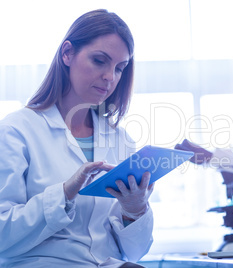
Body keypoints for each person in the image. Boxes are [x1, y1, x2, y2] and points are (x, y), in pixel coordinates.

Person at [0, 9, 154, 268]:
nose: (110, 77)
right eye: (99, 60)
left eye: (120, 68)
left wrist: (134, 210)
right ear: (67, 53)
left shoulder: (120, 140)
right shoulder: (16, 131)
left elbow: (134, 252)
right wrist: (65, 193)